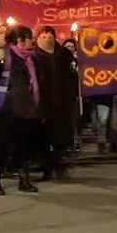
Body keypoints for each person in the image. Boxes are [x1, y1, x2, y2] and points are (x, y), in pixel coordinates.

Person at [0, 25, 42, 195]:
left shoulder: (31, 58)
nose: (32, 41)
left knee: (24, 145)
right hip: (5, 108)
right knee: (3, 145)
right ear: (21, 40)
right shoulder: (1, 54)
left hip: (26, 107)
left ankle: (24, 179)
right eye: (29, 38)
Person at [34, 25, 78, 178]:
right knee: (43, 136)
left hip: (61, 102)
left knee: (60, 135)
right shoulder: (34, 56)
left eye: (50, 37)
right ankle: (46, 167)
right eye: (44, 37)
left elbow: (72, 75)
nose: (47, 39)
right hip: (43, 102)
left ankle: (58, 164)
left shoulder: (62, 55)